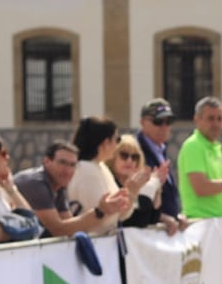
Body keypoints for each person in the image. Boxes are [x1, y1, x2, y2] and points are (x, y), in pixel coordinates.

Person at [13, 140, 128, 238]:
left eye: (72, 165)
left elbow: (71, 228)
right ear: (47, 161)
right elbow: (58, 230)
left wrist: (103, 212)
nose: (67, 171)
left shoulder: (58, 184)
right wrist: (100, 212)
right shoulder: (36, 183)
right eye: (62, 163)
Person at [68, 116, 139, 237]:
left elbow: (120, 215)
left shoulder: (100, 166)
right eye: (117, 139)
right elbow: (101, 218)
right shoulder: (86, 170)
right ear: (106, 143)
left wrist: (132, 192)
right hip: (91, 241)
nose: (117, 144)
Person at [136, 98, 188, 231]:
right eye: (158, 122)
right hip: (146, 231)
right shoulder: (134, 152)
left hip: (165, 231)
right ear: (142, 122)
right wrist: (160, 217)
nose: (164, 127)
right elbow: (134, 196)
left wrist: (176, 215)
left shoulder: (160, 148)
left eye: (168, 122)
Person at [113, 133, 176, 233]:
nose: (129, 160)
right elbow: (134, 221)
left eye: (135, 157)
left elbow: (152, 218)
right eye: (124, 155)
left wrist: (157, 187)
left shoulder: (140, 183)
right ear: (113, 157)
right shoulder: (111, 183)